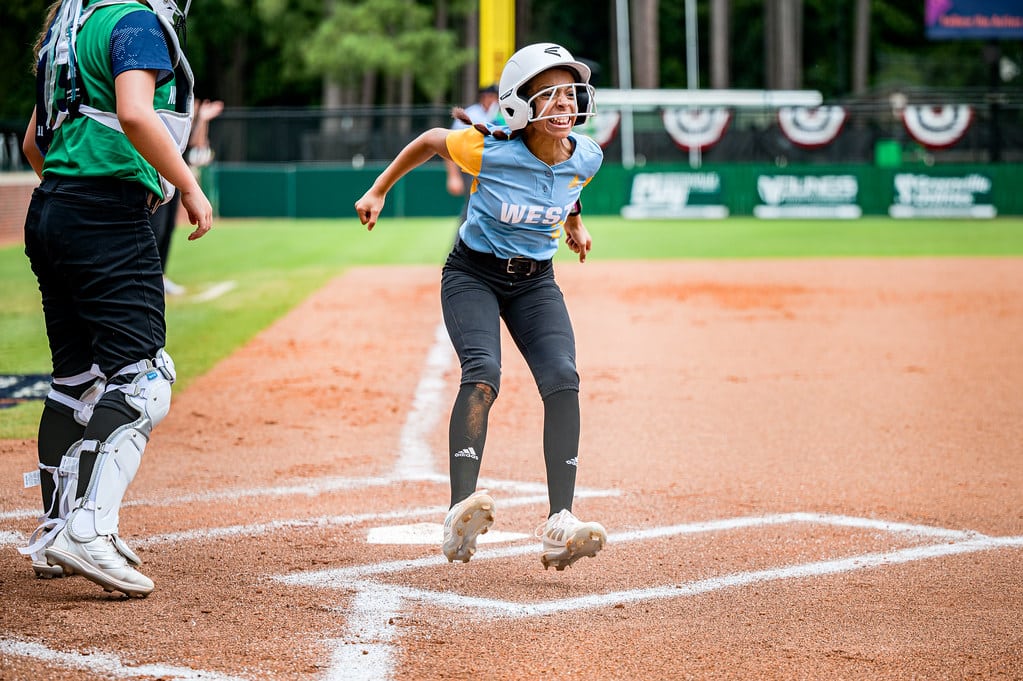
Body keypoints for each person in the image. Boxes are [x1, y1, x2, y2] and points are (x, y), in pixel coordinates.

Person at [355, 43, 607, 571]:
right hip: (474, 274)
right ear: (520, 104)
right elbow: (428, 141)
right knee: (483, 373)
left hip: (536, 283)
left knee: (563, 376)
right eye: (552, 94)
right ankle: (458, 513)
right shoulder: (487, 150)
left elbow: (569, 183)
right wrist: (378, 190)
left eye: (571, 93)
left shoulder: (586, 154)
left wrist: (575, 224)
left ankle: (561, 522)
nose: (566, 103)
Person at [19, 0, 212, 598]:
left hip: (52, 207)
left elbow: (34, 141)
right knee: (143, 380)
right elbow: (134, 112)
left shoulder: (69, 26)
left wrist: (72, 188)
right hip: (103, 215)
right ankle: (86, 531)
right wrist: (186, 184)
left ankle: (56, 529)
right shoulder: (133, 21)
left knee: (75, 382)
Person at [150, 97, 223, 296]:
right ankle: (151, 278)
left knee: (167, 227)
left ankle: (160, 276)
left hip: (174, 176)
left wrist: (203, 119)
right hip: (158, 173)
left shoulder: (181, 113)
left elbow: (195, 143)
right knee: (156, 227)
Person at [444, 84, 501, 208]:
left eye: (494, 97)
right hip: (471, 166)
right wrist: (453, 176)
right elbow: (450, 143)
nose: (491, 100)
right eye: (488, 96)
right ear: (482, 97)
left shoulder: (502, 113)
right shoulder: (471, 114)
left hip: (496, 167)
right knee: (475, 204)